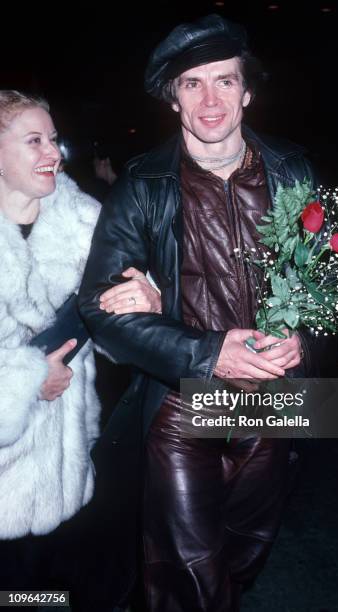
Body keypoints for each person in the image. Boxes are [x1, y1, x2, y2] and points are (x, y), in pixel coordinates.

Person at [79, 14, 312, 611]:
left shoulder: (293, 170)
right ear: (173, 100)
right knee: (188, 576)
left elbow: (318, 287)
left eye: (224, 81)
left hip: (272, 404)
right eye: (191, 84)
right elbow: (101, 308)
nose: (210, 100)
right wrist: (207, 351)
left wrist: (304, 339)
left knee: (243, 556)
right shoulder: (142, 183)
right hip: (185, 404)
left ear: (248, 91)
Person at [0, 90, 157, 599]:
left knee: (65, 587)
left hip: (65, 464)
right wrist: (25, 380)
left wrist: (144, 303)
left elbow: (118, 334)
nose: (54, 153)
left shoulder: (87, 224)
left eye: (54, 139)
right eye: (33, 140)